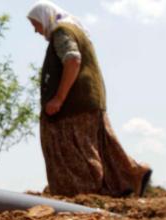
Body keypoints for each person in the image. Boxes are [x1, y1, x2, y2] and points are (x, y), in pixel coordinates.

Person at [27, 1, 152, 197]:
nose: (36, 31)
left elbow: (72, 59)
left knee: (74, 149)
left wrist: (58, 98)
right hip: (90, 99)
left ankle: (86, 192)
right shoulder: (76, 30)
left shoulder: (62, 31)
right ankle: (132, 174)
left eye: (36, 25)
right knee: (105, 145)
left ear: (45, 17)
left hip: (75, 104)